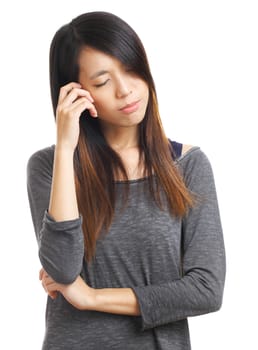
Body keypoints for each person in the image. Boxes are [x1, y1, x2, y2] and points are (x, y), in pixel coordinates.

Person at [27, 11, 226, 350]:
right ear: (76, 93)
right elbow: (62, 268)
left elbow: (206, 290)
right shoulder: (49, 166)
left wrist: (91, 297)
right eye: (103, 82)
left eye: (132, 69)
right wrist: (65, 148)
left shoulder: (188, 166)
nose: (126, 90)